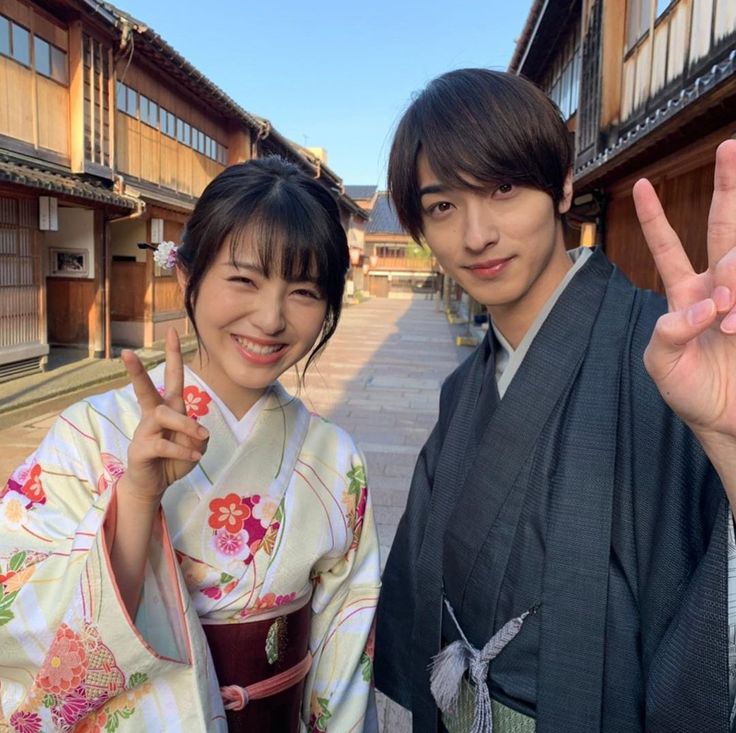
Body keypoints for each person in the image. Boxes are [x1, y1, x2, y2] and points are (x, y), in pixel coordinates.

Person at [374, 68, 736, 733]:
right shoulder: (462, 390)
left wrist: (730, 443)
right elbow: (412, 595)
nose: (477, 233)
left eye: (504, 188)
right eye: (444, 205)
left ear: (564, 185)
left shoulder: (669, 367)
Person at [0, 157, 381, 732]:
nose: (272, 318)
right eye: (244, 280)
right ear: (187, 277)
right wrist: (135, 502)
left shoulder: (334, 458)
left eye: (303, 291)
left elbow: (344, 656)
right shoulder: (88, 434)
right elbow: (18, 620)